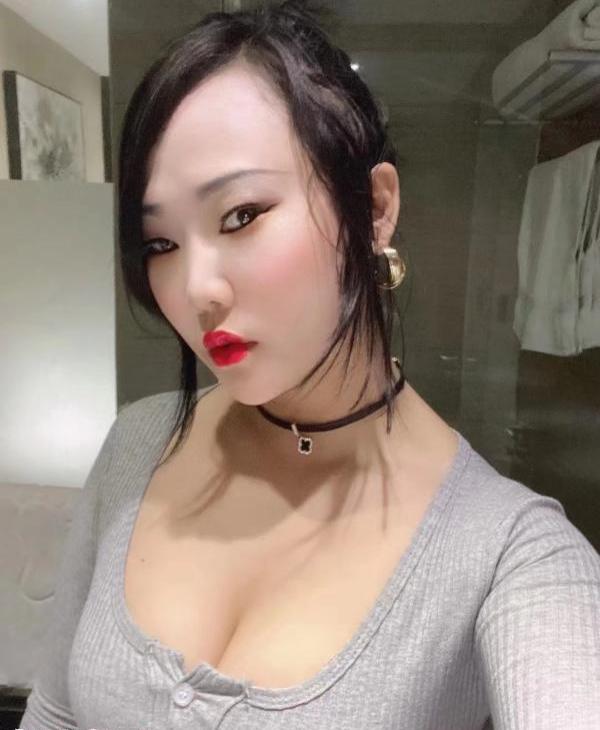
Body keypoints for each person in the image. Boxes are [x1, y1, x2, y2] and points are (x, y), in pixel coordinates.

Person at [19, 2, 600, 729]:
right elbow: (56, 714)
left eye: (241, 215)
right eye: (161, 244)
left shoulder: (511, 554)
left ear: (374, 208)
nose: (196, 290)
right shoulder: (138, 443)